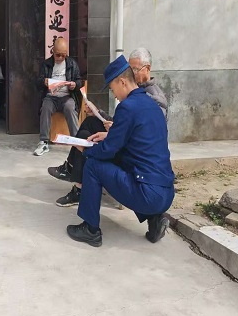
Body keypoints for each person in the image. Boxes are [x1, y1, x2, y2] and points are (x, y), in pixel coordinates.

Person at [66, 55, 175, 247]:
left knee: (93, 165)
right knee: (126, 162)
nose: (114, 94)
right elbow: (139, 141)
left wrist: (84, 149)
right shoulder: (151, 104)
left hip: (147, 194)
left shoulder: (127, 106)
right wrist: (109, 135)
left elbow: (108, 151)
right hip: (166, 193)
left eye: (112, 88)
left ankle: (90, 230)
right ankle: (155, 220)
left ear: (122, 82)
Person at [50, 48, 169, 207]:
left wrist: (110, 134)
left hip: (136, 155)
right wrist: (100, 113)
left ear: (147, 69)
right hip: (125, 138)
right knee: (90, 123)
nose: (131, 73)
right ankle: (72, 169)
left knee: (88, 143)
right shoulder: (134, 92)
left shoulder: (154, 99)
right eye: (130, 69)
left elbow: (147, 134)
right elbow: (124, 122)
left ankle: (80, 189)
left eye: (135, 69)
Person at [34, 37, 83, 156]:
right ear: (53, 52)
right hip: (51, 97)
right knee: (45, 108)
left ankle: (76, 141)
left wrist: (74, 85)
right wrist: (44, 82)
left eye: (63, 55)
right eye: (58, 55)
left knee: (70, 108)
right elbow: (37, 83)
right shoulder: (46, 64)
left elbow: (79, 81)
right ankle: (44, 142)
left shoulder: (72, 64)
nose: (60, 58)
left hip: (67, 96)